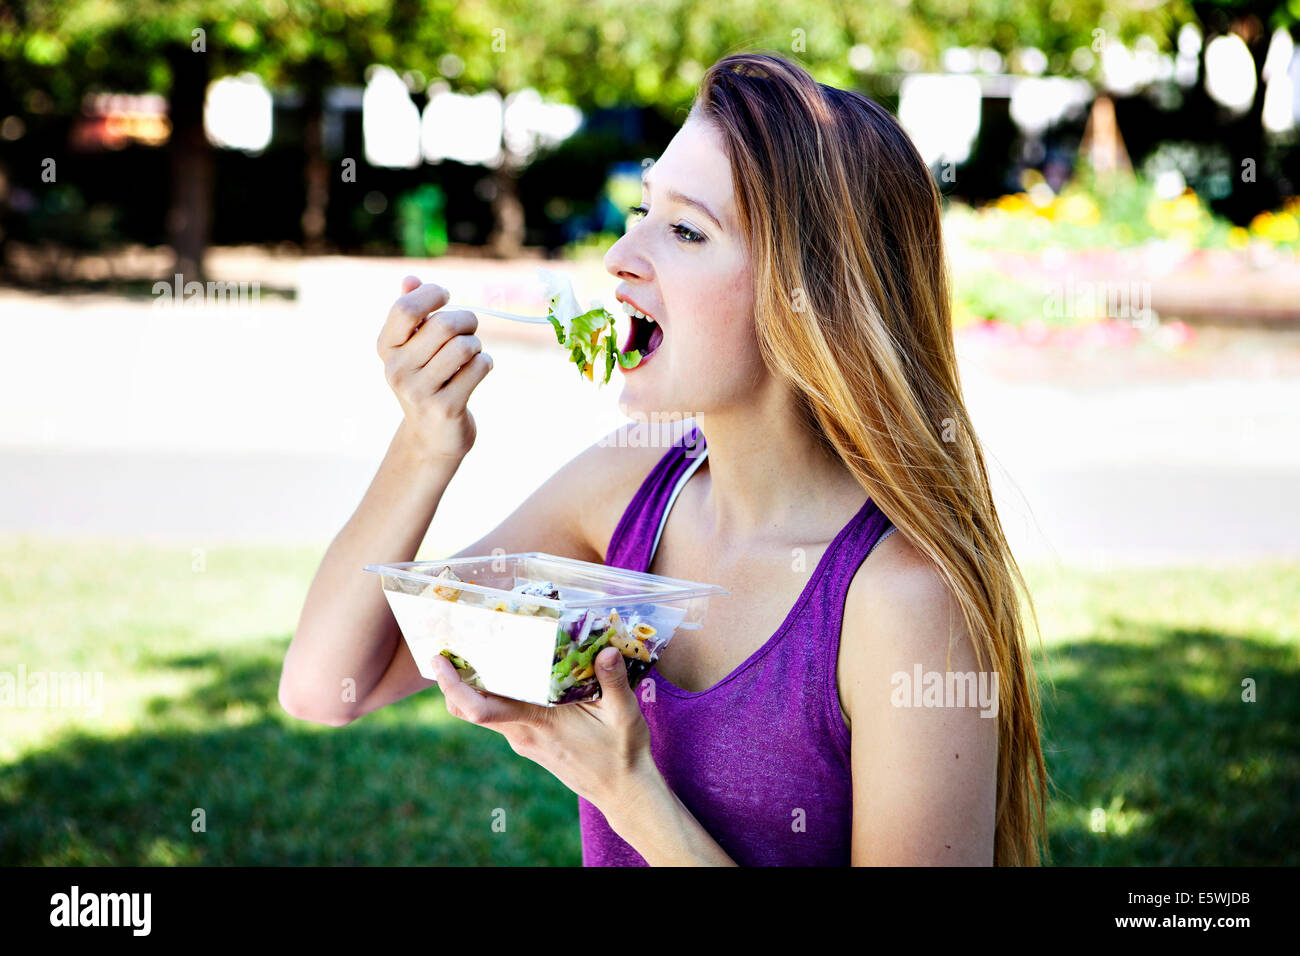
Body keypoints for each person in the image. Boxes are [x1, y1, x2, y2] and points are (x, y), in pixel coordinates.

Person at [279, 51, 1050, 866]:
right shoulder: (633, 489)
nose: (620, 257)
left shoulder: (904, 601)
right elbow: (327, 685)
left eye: (685, 230)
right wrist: (426, 444)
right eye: (640, 211)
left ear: (808, 297)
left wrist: (627, 793)